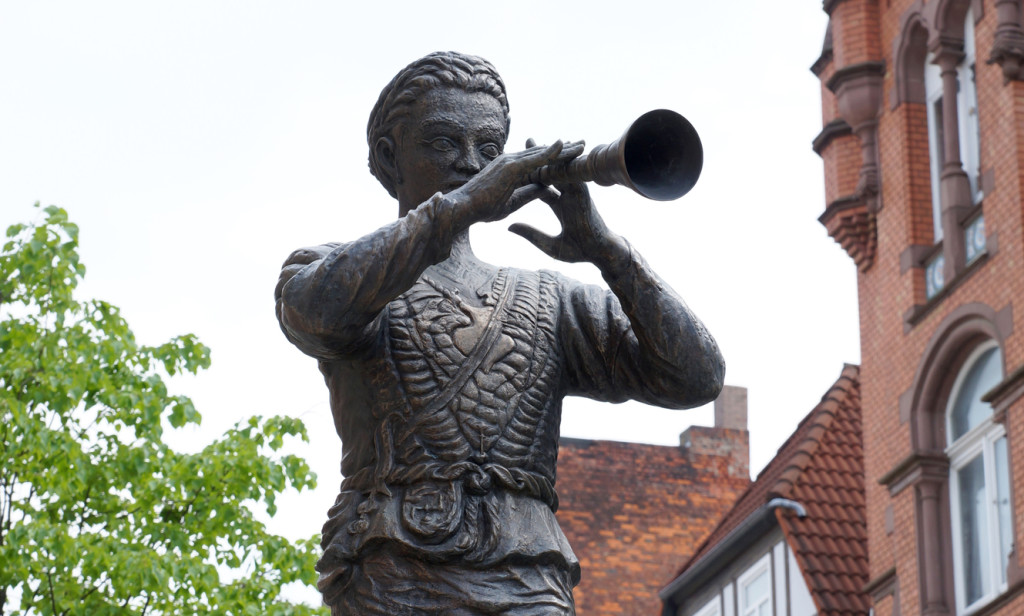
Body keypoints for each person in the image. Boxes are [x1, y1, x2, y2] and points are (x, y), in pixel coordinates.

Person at [275, 51, 724, 615]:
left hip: (532, 581)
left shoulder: (551, 299)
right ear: (391, 156)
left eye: (489, 151)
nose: (471, 163)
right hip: (395, 572)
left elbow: (697, 377)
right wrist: (461, 207)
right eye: (444, 143)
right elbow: (317, 313)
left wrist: (607, 251)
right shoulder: (337, 270)